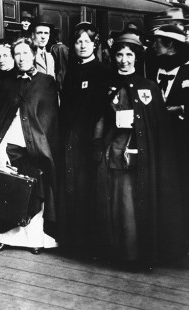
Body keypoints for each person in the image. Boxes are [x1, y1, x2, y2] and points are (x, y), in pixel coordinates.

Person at [93, 33, 185, 269]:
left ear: (136, 58)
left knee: (134, 205)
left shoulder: (149, 87)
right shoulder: (107, 86)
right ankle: (117, 253)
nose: (124, 60)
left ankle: (137, 255)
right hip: (113, 154)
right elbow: (100, 119)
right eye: (120, 55)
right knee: (116, 205)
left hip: (141, 157)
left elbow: (158, 125)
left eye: (129, 55)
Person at [0, 37, 59, 254]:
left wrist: (38, 142)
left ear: (34, 55)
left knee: (35, 185)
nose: (21, 58)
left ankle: (34, 240)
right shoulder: (5, 82)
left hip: (35, 143)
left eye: (25, 53)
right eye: (17, 54)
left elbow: (48, 117)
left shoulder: (46, 81)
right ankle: (5, 237)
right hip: (9, 141)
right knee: (6, 185)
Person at [58, 22, 111, 256]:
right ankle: (73, 242)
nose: (82, 45)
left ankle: (90, 245)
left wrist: (95, 139)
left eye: (87, 41)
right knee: (73, 189)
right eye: (78, 41)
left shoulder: (102, 71)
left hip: (90, 138)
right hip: (71, 138)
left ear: (95, 44)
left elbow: (101, 109)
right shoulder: (71, 71)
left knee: (89, 189)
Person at [148, 25, 189, 244]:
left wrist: (178, 109)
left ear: (171, 45)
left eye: (157, 42)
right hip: (161, 144)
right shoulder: (157, 71)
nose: (153, 46)